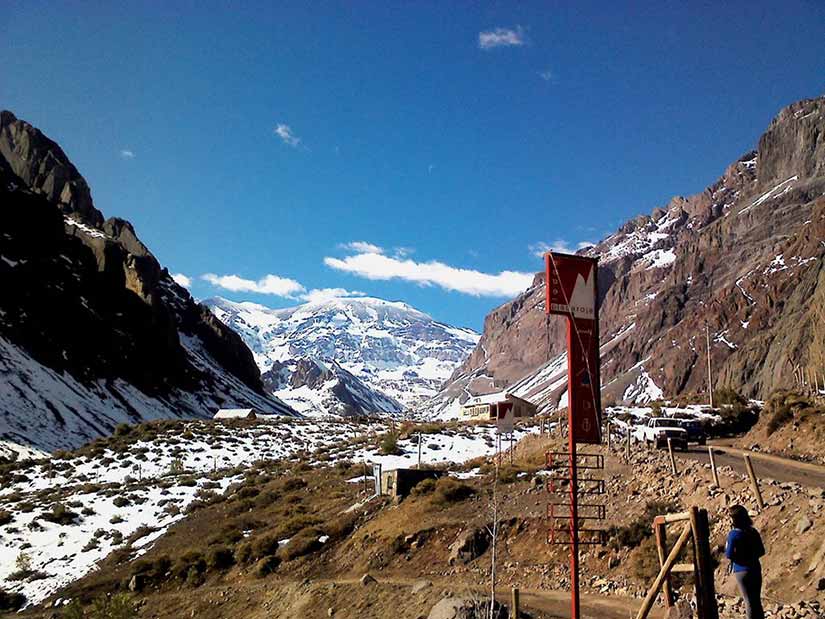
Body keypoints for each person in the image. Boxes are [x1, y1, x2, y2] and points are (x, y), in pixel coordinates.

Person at [725, 504, 766, 619]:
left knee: (748, 601)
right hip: (755, 567)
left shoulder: (733, 534)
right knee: (756, 600)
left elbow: (728, 554)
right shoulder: (753, 531)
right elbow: (761, 551)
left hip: (741, 570)